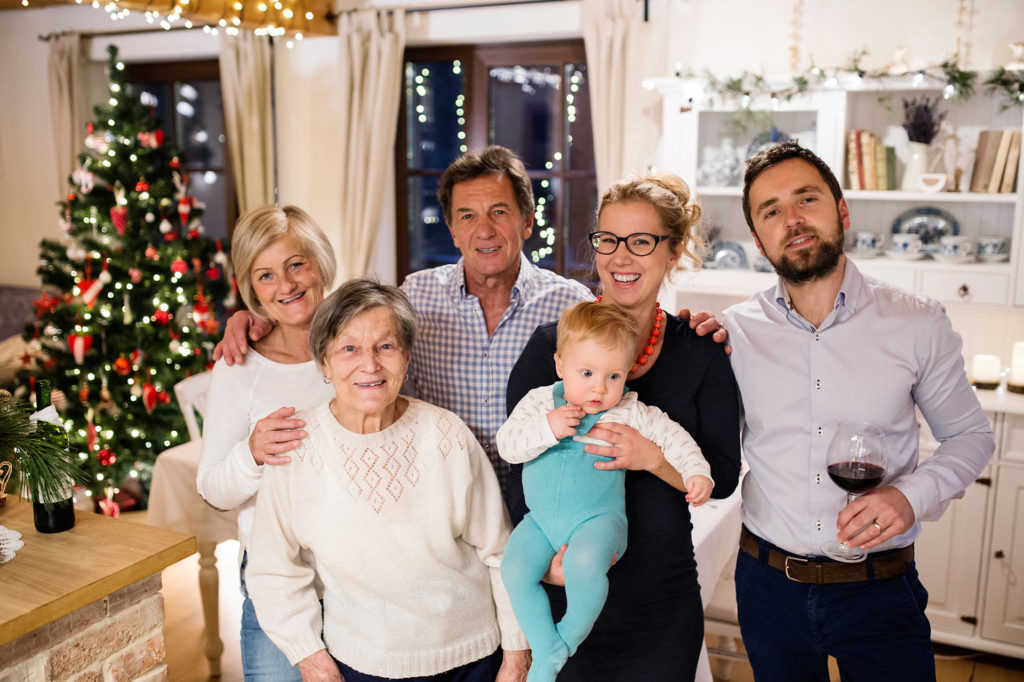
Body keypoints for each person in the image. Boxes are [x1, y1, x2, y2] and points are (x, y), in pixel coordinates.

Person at [721, 141, 995, 681]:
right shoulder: (731, 333)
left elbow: (970, 436)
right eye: (771, 211)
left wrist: (909, 496)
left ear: (842, 211)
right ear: (757, 240)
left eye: (807, 199)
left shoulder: (918, 323)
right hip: (767, 588)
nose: (792, 220)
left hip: (881, 590)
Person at [506, 172, 742, 680]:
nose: (620, 257)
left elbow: (720, 477)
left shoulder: (700, 351)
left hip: (660, 606)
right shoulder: (551, 350)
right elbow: (513, 469)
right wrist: (543, 562)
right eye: (608, 240)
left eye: (641, 241)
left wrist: (652, 459)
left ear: (673, 251)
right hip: (563, 595)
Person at [244, 278, 528, 682]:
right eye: (349, 349)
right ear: (324, 363)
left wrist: (517, 655)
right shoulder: (295, 447)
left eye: (386, 346)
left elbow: (501, 553)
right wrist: (308, 655)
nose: (370, 365)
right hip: (359, 665)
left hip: (472, 659)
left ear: (407, 356)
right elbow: (273, 568)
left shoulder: (446, 434)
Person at [497, 301, 712, 681]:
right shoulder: (540, 402)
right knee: (513, 569)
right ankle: (547, 645)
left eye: (613, 376)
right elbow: (508, 446)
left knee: (585, 566)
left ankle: (566, 640)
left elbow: (675, 439)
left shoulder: (629, 410)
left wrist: (696, 472)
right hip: (541, 522)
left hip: (598, 522)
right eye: (586, 373)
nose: (599, 387)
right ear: (560, 366)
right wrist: (547, 428)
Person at [196, 205, 337, 681]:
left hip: (362, 581)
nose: (287, 284)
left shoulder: (361, 342)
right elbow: (213, 488)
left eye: (297, 264)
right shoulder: (239, 368)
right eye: (266, 275)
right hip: (276, 588)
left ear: (321, 262)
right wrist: (252, 452)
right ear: (250, 287)